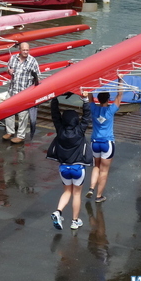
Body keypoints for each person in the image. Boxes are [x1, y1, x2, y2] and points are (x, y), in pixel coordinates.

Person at [47, 94, 92, 230]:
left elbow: (55, 115)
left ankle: (58, 211)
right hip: (78, 168)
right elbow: (87, 116)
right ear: (75, 121)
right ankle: (75, 221)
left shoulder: (60, 130)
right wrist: (85, 100)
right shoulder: (79, 130)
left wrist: (54, 99)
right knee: (77, 194)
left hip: (64, 169)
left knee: (66, 192)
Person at [85, 84, 123, 203]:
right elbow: (120, 94)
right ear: (108, 99)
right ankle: (99, 196)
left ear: (98, 99)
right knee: (104, 170)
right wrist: (120, 79)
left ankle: (91, 188)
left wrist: (90, 81)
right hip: (107, 142)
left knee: (96, 166)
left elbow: (90, 96)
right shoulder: (111, 110)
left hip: (95, 142)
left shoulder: (93, 108)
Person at [3, 42, 40, 144]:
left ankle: (20, 135)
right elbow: (8, 68)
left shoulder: (32, 61)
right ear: (19, 50)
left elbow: (38, 77)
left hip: (24, 93)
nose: (25, 52)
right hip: (12, 90)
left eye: (27, 50)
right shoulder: (13, 58)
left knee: (22, 115)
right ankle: (10, 131)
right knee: (7, 110)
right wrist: (9, 71)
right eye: (23, 50)